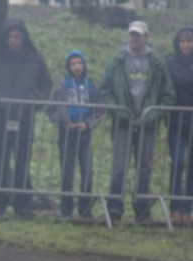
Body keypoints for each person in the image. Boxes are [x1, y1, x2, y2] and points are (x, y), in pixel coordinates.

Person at [100, 20, 176, 224]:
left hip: (148, 124)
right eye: (132, 34)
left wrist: (153, 114)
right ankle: (115, 208)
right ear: (128, 36)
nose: (135, 38)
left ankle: (142, 210)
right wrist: (118, 111)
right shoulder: (116, 61)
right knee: (118, 166)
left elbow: (168, 95)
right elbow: (105, 89)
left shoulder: (158, 63)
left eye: (139, 35)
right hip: (122, 123)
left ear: (146, 37)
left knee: (145, 167)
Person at [0, 19, 52, 218]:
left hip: (25, 116)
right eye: (10, 37)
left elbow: (46, 84)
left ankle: (22, 204)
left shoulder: (35, 59)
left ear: (23, 38)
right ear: (5, 38)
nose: (14, 41)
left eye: (17, 37)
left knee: (23, 160)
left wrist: (36, 102)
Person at [47, 50, 102, 221]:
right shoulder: (61, 86)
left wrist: (88, 124)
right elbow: (50, 109)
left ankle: (85, 209)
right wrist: (63, 123)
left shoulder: (91, 85)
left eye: (79, 63)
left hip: (84, 133)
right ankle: (66, 209)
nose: (76, 67)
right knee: (67, 171)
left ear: (84, 65)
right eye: (73, 64)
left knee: (87, 170)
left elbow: (99, 110)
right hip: (67, 133)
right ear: (68, 66)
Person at [165, 26, 193, 225]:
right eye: (182, 41)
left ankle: (187, 208)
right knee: (178, 162)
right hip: (176, 122)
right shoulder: (169, 63)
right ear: (177, 43)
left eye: (189, 41)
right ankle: (175, 206)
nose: (186, 45)